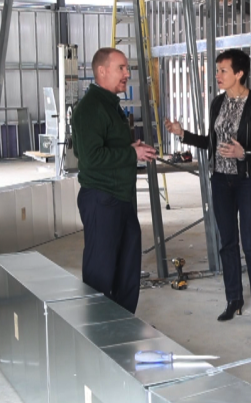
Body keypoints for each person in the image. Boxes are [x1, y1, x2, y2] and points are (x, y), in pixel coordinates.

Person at [164, 49, 251, 331]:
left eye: (223, 70)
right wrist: (183, 134)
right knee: (227, 242)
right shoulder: (217, 103)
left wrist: (243, 153)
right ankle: (234, 300)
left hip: (247, 180)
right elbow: (211, 142)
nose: (218, 76)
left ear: (239, 73)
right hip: (220, 181)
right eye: (218, 70)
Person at [72, 47, 157, 314]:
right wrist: (131, 152)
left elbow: (109, 147)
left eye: (127, 68)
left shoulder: (110, 105)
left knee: (127, 271)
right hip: (102, 199)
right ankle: (98, 336)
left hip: (121, 198)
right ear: (102, 71)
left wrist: (130, 148)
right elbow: (90, 158)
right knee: (102, 272)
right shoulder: (90, 109)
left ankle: (123, 331)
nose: (127, 73)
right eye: (120, 68)